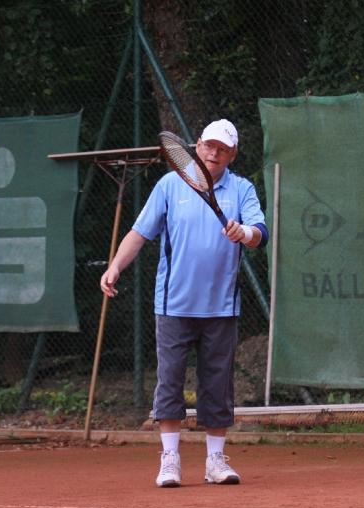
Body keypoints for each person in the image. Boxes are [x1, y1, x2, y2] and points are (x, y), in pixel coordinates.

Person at [99, 119, 268, 488]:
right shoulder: (169, 185)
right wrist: (115, 266)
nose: (214, 153)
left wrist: (244, 232)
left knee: (218, 387)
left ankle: (215, 461)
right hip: (173, 306)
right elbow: (139, 233)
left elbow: (260, 233)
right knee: (170, 383)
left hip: (222, 307)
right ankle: (170, 460)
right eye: (210, 146)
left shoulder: (242, 189)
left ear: (232, 155)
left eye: (223, 149)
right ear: (197, 146)